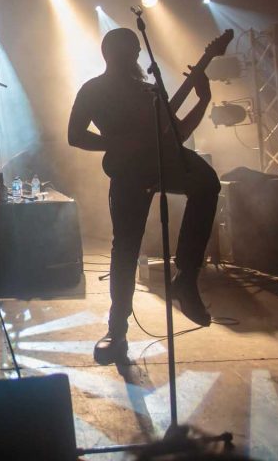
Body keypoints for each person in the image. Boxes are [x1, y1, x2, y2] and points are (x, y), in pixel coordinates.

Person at [68, 28, 220, 365]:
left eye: (136, 50)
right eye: (129, 51)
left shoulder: (150, 91)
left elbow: (180, 133)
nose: (135, 56)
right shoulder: (94, 90)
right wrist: (116, 142)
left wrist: (203, 99)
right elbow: (74, 135)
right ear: (110, 54)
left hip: (163, 162)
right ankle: (116, 330)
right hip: (128, 172)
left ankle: (186, 277)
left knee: (207, 182)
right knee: (125, 247)